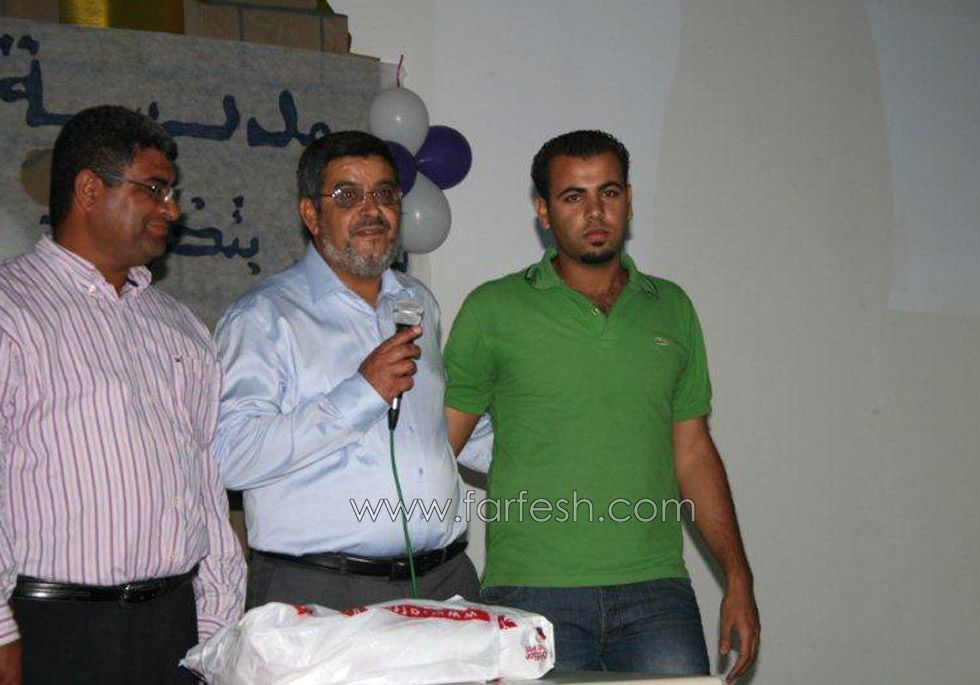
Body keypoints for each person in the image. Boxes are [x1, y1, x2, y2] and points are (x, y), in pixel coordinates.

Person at [444, 130, 760, 682]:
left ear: (628, 201)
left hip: (657, 593)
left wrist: (738, 578)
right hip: (531, 592)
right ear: (544, 211)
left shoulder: (672, 308)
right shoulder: (493, 310)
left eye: (608, 192)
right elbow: (438, 447)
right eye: (573, 196)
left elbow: (692, 452)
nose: (594, 212)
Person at [0, 105, 246, 684]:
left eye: (171, 192)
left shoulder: (181, 326)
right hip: (50, 629)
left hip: (174, 626)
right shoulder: (11, 309)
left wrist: (217, 627)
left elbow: (205, 488)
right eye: (154, 189)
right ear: (90, 190)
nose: (172, 209)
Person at [213, 131, 479, 610]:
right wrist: (361, 393)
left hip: (444, 582)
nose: (372, 210)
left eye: (385, 194)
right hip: (322, 589)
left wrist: (542, 436)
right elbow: (232, 456)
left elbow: (437, 427)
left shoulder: (417, 301)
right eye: (347, 196)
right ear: (311, 214)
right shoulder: (263, 317)